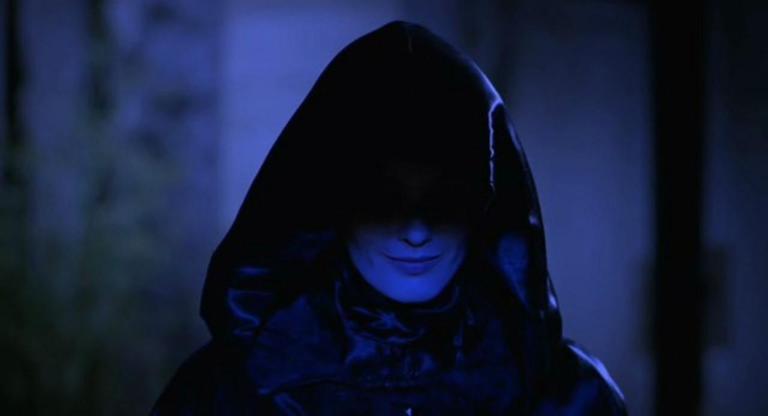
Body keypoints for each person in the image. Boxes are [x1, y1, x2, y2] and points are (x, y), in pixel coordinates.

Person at [151, 21, 627, 415]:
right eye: (383, 200)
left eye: (446, 199)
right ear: (332, 204)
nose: (416, 231)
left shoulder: (571, 398)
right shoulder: (224, 395)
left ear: (485, 205)